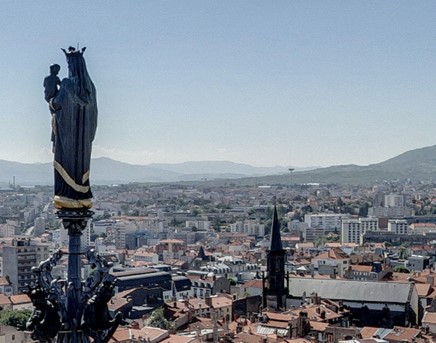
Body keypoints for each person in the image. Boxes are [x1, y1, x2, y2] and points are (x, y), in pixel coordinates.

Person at [48, 47, 97, 209]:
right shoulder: (90, 87)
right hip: (83, 142)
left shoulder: (68, 84)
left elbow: (57, 103)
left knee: (66, 163)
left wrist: (50, 95)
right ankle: (82, 194)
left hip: (68, 137)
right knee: (80, 166)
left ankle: (67, 194)